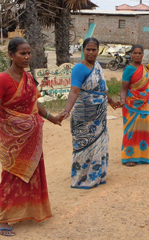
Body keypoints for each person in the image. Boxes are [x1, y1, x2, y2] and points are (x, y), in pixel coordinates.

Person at [0, 38, 62, 237]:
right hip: (12, 140)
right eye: (22, 53)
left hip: (32, 138)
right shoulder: (2, 80)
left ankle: (30, 211)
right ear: (11, 55)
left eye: (28, 53)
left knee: (32, 174)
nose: (27, 57)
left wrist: (52, 118)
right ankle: (4, 219)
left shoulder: (28, 78)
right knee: (11, 175)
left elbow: (36, 104)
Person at [63, 38, 116, 189]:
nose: (91, 52)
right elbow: (74, 90)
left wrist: (111, 101)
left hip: (99, 116)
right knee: (83, 146)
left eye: (94, 49)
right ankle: (81, 178)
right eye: (88, 49)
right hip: (83, 114)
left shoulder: (97, 66)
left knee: (99, 144)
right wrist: (67, 110)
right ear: (83, 50)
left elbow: (102, 89)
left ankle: (97, 175)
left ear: (98, 50)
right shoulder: (79, 68)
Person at [118, 44, 149, 166]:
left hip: (144, 104)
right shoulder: (129, 69)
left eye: (140, 53)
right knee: (130, 130)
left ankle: (142, 155)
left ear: (143, 54)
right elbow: (123, 88)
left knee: (143, 129)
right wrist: (122, 99)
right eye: (135, 53)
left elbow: (148, 87)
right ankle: (128, 156)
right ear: (131, 54)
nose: (137, 55)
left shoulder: (146, 69)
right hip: (131, 104)